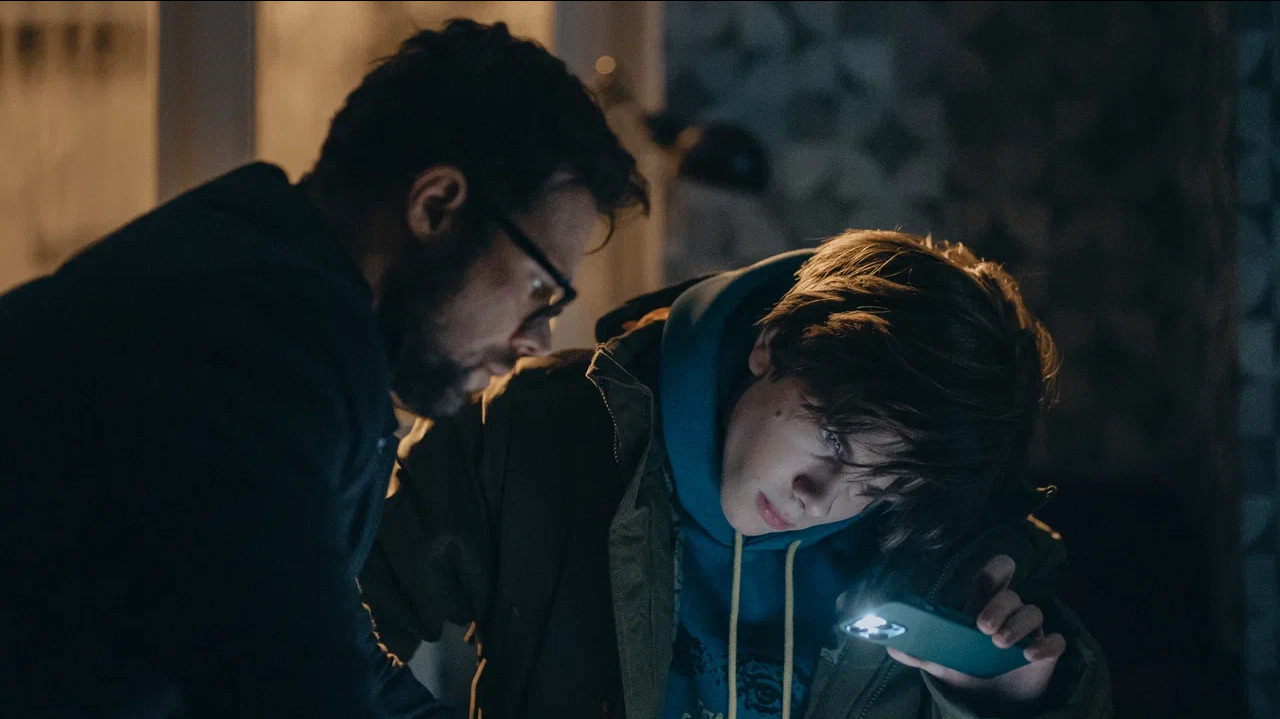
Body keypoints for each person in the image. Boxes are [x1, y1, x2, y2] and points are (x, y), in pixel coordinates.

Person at [1, 20, 646, 718]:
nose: (538, 340)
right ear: (435, 205)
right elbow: (297, 687)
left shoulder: (296, 317)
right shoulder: (248, 344)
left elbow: (341, 662)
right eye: (539, 290)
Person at [360, 230, 1112, 718]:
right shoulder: (533, 428)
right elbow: (324, 616)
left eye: (879, 487)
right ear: (772, 344)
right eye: (833, 439)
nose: (822, 499)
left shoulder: (958, 554)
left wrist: (1008, 705)